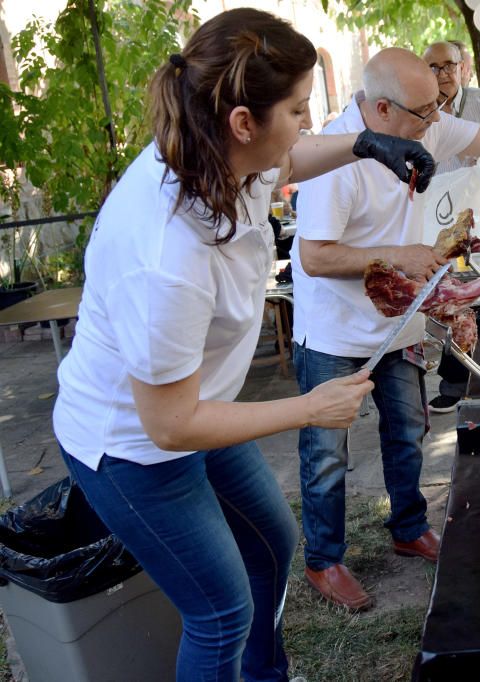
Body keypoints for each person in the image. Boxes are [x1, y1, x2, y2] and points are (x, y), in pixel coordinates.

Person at [51, 9, 435, 681]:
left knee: (270, 544)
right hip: (132, 446)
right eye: (297, 108)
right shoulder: (165, 250)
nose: (310, 124)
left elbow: (291, 156)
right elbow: (169, 425)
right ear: (242, 122)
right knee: (220, 611)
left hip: (201, 410)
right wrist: (310, 408)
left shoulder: (228, 151)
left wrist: (368, 144)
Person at [291, 47, 480, 610]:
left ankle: (409, 527)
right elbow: (313, 258)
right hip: (335, 332)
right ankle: (325, 560)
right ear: (381, 110)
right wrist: (401, 254)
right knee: (326, 453)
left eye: (439, 105)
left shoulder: (421, 122)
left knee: (407, 430)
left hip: (398, 316)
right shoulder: (333, 162)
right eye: (424, 111)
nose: (437, 120)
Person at [422, 40, 480, 413]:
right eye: (433, 68)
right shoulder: (419, 110)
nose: (442, 74)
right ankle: (455, 383)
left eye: (448, 66)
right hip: (441, 223)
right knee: (450, 301)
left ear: (463, 67)